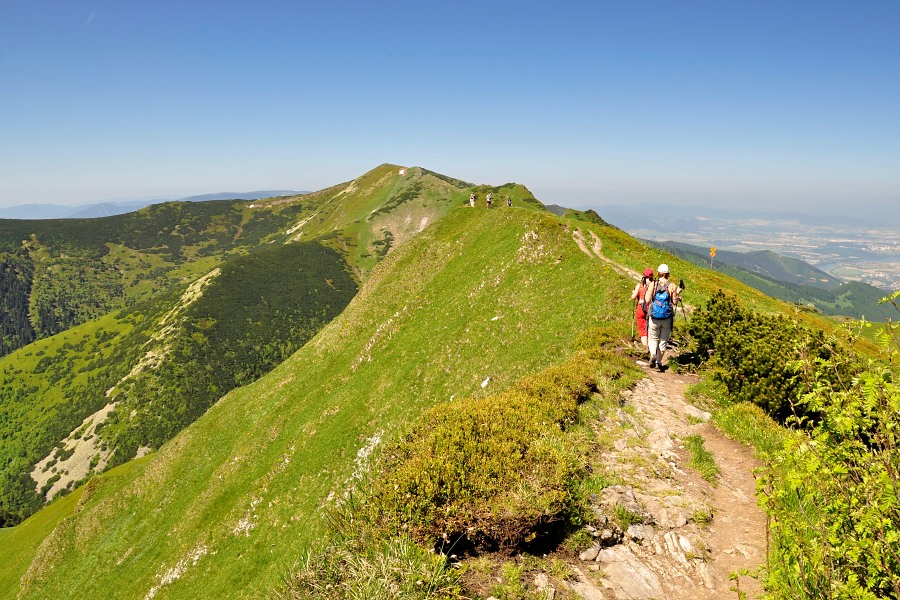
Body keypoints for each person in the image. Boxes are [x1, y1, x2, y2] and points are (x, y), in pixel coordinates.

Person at [644, 263, 680, 372]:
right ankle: (658, 362)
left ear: (659, 273)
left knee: (653, 337)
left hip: (654, 316)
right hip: (667, 318)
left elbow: (647, 300)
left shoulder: (653, 284)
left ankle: (653, 354)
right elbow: (674, 302)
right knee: (663, 340)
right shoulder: (672, 285)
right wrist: (678, 298)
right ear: (667, 274)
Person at [631, 267, 654, 347]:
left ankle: (645, 347)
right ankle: (653, 347)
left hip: (641, 310)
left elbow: (633, 297)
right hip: (651, 310)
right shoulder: (654, 285)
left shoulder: (640, 285)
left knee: (642, 328)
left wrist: (634, 292)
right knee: (651, 328)